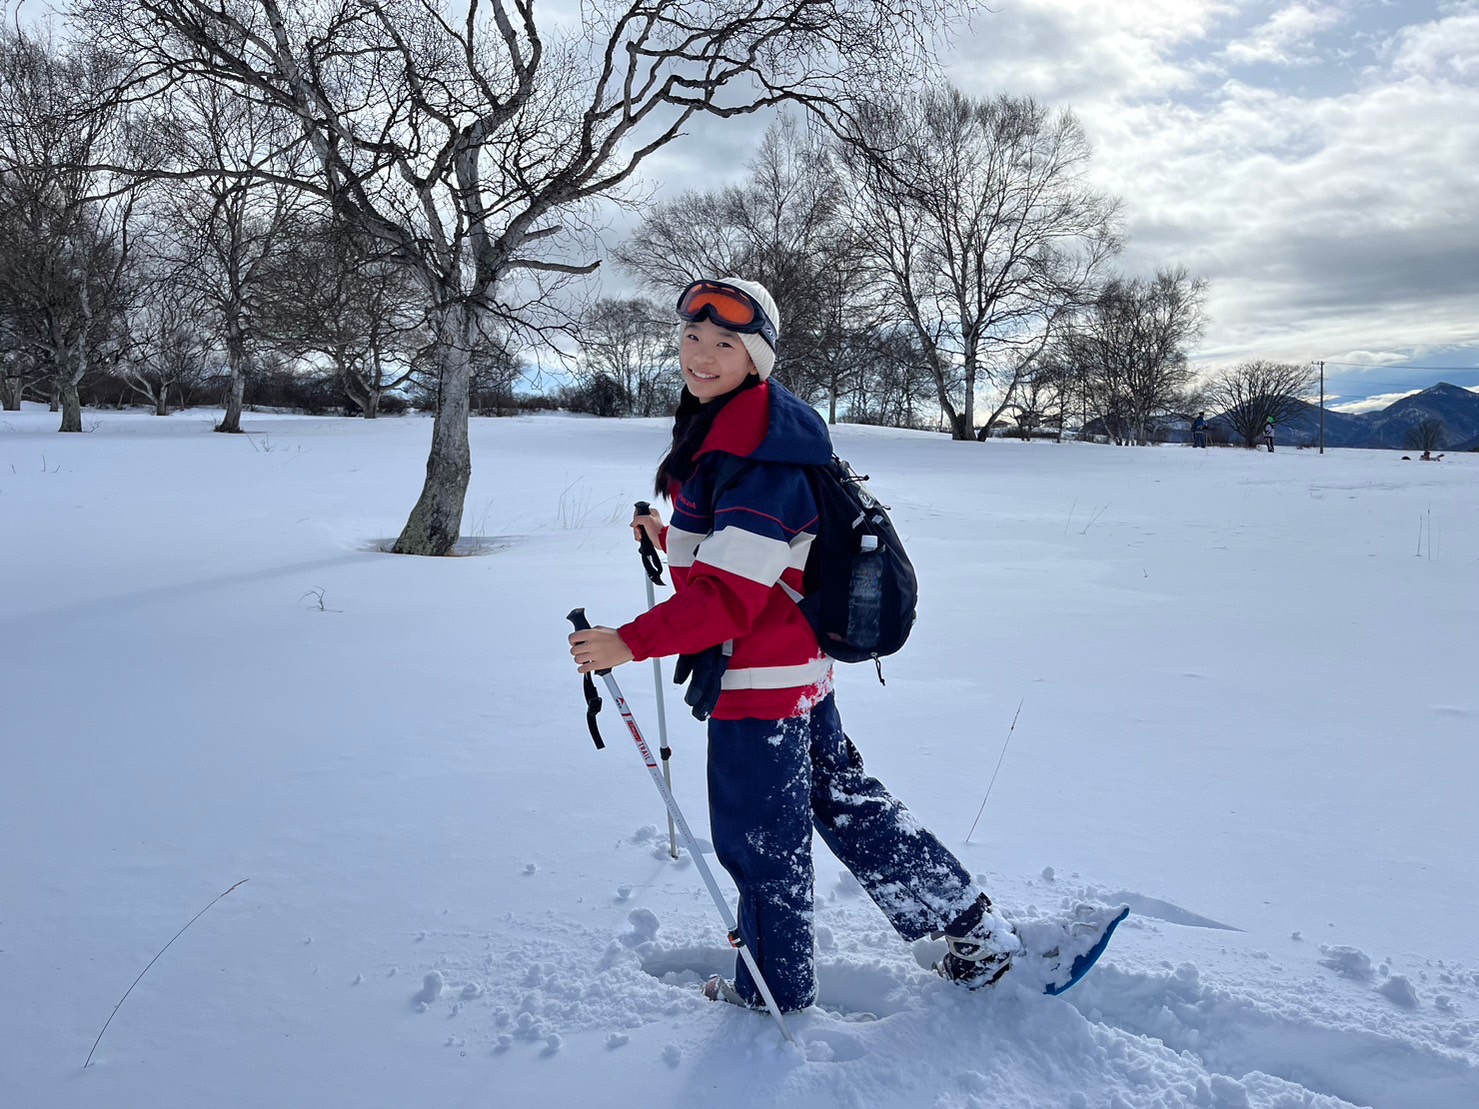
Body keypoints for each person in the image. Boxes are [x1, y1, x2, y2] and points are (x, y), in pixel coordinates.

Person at [567, 277, 1020, 1013]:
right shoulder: (754, 428)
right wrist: (671, 536)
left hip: (760, 686)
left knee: (761, 843)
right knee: (847, 802)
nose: (701, 354)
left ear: (756, 358)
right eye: (692, 337)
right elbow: (748, 561)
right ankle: (974, 930)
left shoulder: (755, 454)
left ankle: (772, 993)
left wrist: (629, 641)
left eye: (725, 343)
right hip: (798, 671)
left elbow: (728, 599)